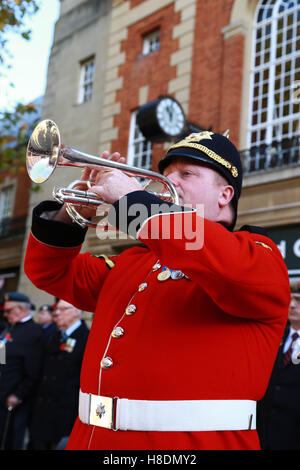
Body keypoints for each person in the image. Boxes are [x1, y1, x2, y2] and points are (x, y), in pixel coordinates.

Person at [24, 131, 290, 450]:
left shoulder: (257, 253)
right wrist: (74, 209)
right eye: (166, 174)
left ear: (225, 195)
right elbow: (50, 272)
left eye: (187, 173)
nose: (168, 182)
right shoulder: (135, 261)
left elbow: (207, 251)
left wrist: (132, 202)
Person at [29, 299, 89, 450]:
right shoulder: (54, 334)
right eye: (56, 309)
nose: (56, 313)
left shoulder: (86, 337)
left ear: (77, 312)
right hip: (43, 407)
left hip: (66, 411)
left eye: (63, 309)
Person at [257, 282, 300, 450]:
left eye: (297, 300)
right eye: (290, 300)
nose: (292, 305)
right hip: (267, 432)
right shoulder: (275, 338)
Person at [0, 292, 45, 450]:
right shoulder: (10, 328)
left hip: (15, 399)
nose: (5, 315)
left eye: (8, 311)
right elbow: (3, 357)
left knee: (11, 440)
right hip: (2, 392)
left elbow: (34, 370)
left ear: (20, 308)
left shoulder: (34, 332)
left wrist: (18, 394)